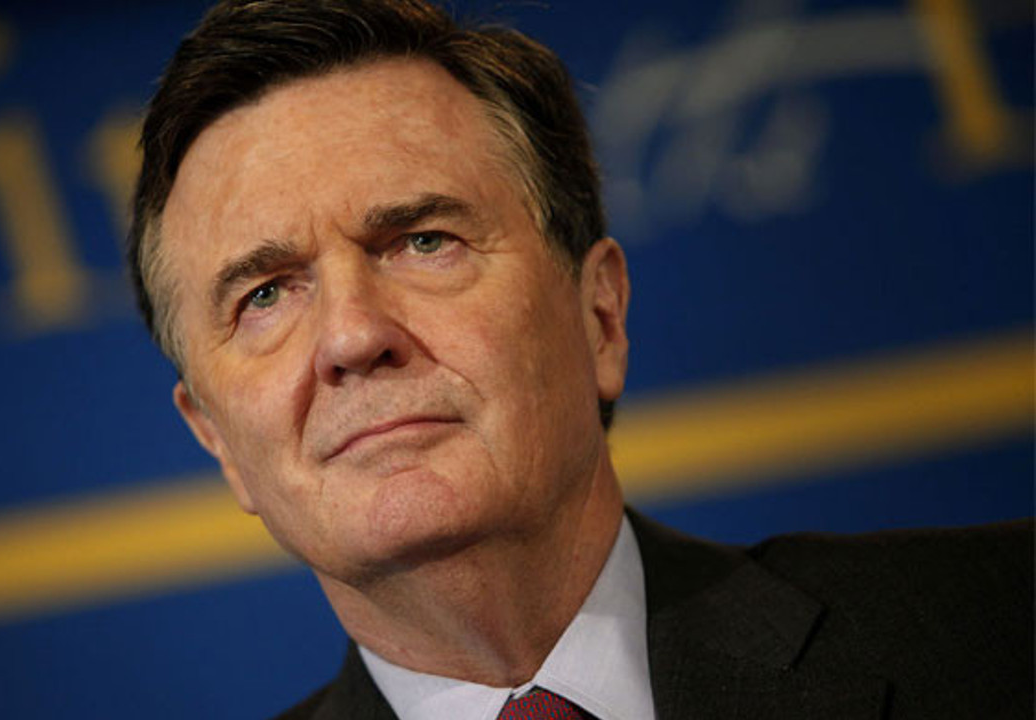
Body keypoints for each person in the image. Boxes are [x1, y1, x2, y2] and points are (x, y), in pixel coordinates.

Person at [124, 1, 1033, 718]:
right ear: (218, 441)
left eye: (424, 241)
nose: (354, 337)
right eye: (265, 295)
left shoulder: (998, 631)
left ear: (600, 315)